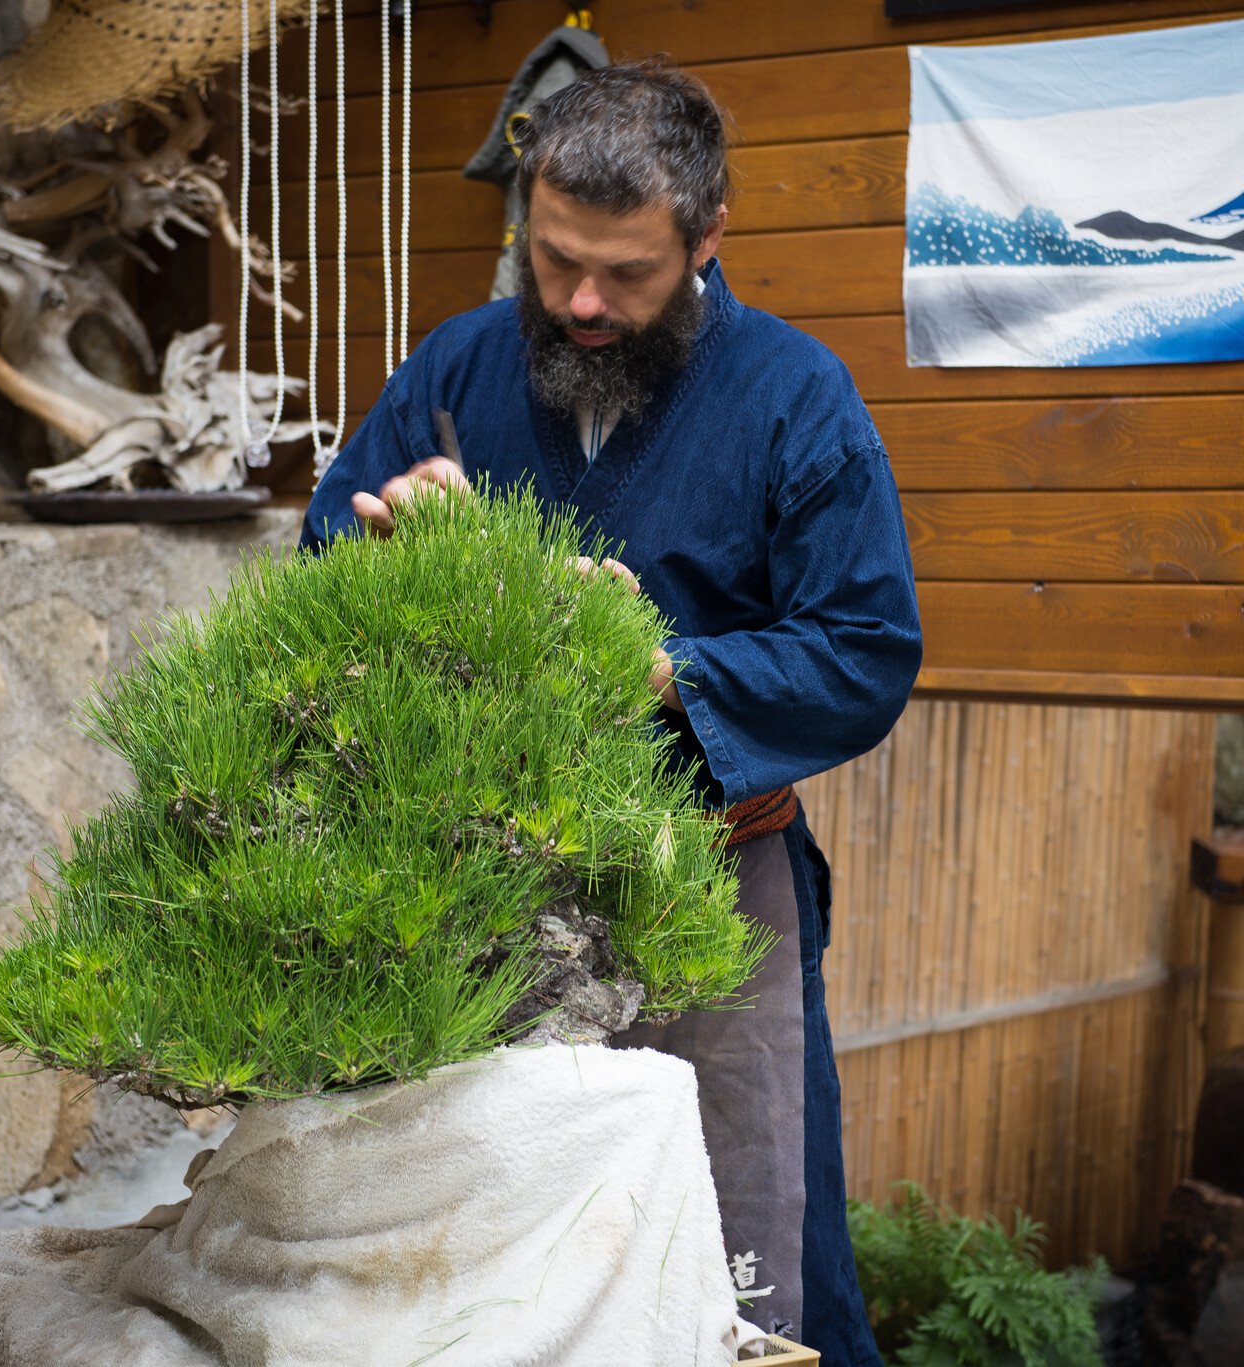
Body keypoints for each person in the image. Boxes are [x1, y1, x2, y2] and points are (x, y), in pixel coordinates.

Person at [299, 57, 921, 1365]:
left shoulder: (797, 401)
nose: (580, 302)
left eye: (625, 274)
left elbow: (865, 650)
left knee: (751, 1257)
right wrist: (395, 550)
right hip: (479, 894)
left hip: (706, 882)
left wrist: (669, 671)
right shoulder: (460, 366)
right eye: (554, 259)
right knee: (497, 1251)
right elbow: (325, 540)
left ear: (706, 241)